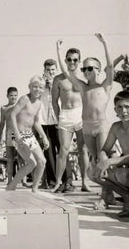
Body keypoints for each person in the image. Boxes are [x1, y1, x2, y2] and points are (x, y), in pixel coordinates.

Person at [56, 34, 115, 208]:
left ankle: (105, 198)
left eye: (90, 68)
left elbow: (111, 65)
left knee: (103, 161)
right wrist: (58, 51)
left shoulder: (105, 85)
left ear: (98, 70)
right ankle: (108, 194)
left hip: (101, 126)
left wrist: (105, 43)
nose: (86, 71)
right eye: (84, 69)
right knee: (96, 162)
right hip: (87, 127)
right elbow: (66, 71)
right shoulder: (82, 87)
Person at [94, 91, 129, 217]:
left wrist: (110, 161)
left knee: (122, 174)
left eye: (127, 107)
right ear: (115, 109)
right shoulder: (116, 126)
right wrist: (103, 159)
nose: (124, 111)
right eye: (120, 107)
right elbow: (105, 149)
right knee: (94, 171)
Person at [52, 47, 90, 193]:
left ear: (79, 61)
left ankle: (85, 182)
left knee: (83, 149)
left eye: (75, 59)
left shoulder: (83, 80)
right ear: (65, 60)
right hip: (65, 115)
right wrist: (58, 119)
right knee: (64, 150)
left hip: (80, 115)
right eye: (69, 59)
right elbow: (54, 101)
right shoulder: (58, 79)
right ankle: (58, 182)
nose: (72, 62)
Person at [6, 76, 49, 193]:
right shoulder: (24, 99)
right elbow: (12, 115)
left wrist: (44, 137)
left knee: (42, 161)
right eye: (35, 87)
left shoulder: (39, 103)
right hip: (18, 134)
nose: (37, 90)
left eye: (40, 87)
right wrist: (17, 135)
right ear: (29, 87)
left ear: (43, 89)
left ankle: (34, 188)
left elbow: (36, 122)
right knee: (31, 163)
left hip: (29, 135)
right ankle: (12, 185)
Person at [38, 59, 60, 189]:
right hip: (44, 121)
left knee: (62, 150)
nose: (50, 72)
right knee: (49, 151)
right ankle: (51, 180)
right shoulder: (40, 82)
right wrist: (44, 85)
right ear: (44, 70)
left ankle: (66, 180)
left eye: (52, 70)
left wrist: (53, 85)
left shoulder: (60, 81)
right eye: (48, 70)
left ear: (56, 70)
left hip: (58, 119)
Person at [0, 87, 19, 184]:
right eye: (11, 96)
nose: (13, 98)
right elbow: (2, 122)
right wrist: (0, 135)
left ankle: (23, 179)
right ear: (7, 96)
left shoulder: (20, 106)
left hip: (20, 134)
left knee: (21, 158)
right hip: (9, 133)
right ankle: (10, 179)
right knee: (10, 159)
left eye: (15, 95)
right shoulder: (4, 108)